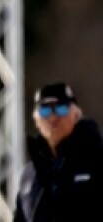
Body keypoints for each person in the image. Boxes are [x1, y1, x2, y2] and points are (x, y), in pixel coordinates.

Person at [15, 81, 103, 222]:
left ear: (76, 115)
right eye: (45, 110)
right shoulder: (30, 174)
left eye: (61, 109)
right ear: (36, 120)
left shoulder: (96, 159)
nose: (53, 118)